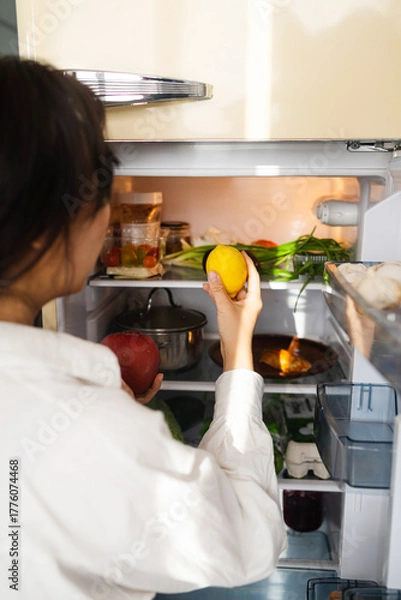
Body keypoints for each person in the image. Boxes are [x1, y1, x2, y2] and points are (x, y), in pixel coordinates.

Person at [0, 57, 287, 600]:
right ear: (44, 225)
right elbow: (250, 536)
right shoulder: (87, 432)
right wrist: (239, 346)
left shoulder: (82, 424)